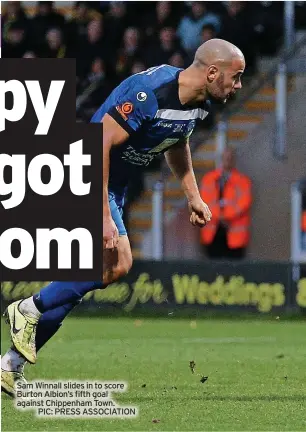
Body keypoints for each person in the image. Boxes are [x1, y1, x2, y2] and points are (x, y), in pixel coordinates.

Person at [1, 38, 245, 396]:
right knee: (119, 264)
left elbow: (177, 143)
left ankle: (9, 365)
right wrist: (102, 216)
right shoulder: (149, 92)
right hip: (80, 172)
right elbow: (98, 142)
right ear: (211, 72)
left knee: (79, 283)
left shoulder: (198, 105)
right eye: (235, 77)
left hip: (111, 186)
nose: (237, 85)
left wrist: (193, 196)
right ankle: (28, 307)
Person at [200, 147, 252, 260]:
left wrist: (226, 216)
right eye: (225, 158)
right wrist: (219, 216)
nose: (227, 161)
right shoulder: (209, 179)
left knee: (234, 268)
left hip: (234, 234)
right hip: (213, 232)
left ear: (234, 160)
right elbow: (205, 201)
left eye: (230, 158)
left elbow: (244, 203)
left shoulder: (242, 181)